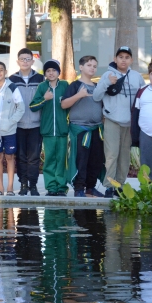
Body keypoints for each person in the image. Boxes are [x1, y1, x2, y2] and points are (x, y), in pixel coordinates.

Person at [93, 46, 146, 197]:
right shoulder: (108, 75)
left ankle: (120, 185)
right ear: (115, 59)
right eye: (120, 57)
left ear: (131, 60)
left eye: (127, 57)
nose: (123, 60)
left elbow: (143, 98)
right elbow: (96, 97)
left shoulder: (137, 77)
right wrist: (107, 83)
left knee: (124, 156)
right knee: (111, 155)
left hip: (129, 124)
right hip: (112, 121)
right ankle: (110, 186)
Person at [61, 56, 105, 198]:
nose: (92, 68)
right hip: (80, 130)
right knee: (81, 159)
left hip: (96, 129)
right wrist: (79, 95)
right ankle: (79, 188)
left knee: (96, 159)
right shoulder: (74, 86)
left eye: (94, 66)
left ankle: (90, 188)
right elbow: (64, 104)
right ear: (81, 67)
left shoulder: (98, 87)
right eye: (89, 65)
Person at [0, 61, 25, 196]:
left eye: (1, 70)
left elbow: (21, 108)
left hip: (9, 130)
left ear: (5, 72)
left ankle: (10, 188)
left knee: (9, 156)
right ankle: (0, 188)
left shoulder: (12, 87)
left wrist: (10, 122)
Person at [29, 60, 69, 196]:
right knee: (50, 159)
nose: (51, 73)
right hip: (47, 130)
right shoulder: (42, 87)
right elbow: (33, 106)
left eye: (54, 70)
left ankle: (61, 187)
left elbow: (70, 104)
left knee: (61, 159)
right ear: (45, 73)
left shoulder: (64, 85)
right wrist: (44, 99)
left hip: (62, 130)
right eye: (48, 71)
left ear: (59, 72)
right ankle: (51, 187)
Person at [9, 48, 44, 196]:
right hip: (18, 125)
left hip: (36, 124)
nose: (25, 61)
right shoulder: (11, 80)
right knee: (21, 156)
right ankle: (23, 184)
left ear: (33, 61)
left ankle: (33, 185)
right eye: (22, 59)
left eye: (28, 59)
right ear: (18, 61)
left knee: (34, 157)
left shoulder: (40, 79)